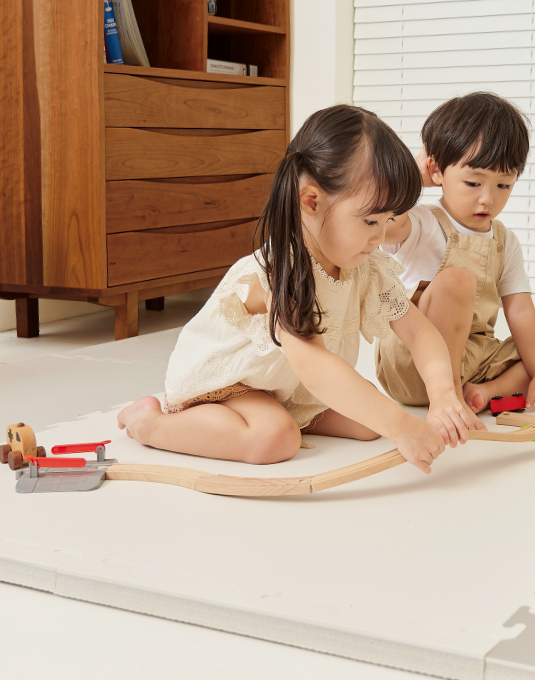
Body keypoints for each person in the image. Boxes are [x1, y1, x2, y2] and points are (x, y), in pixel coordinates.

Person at [118, 104, 484, 472]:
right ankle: (150, 423)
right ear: (311, 201)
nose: (381, 236)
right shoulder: (283, 269)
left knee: (368, 421)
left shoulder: (365, 265)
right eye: (371, 220)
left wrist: (442, 394)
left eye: (389, 220)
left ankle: (287, 410)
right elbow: (314, 364)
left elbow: (418, 331)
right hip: (230, 384)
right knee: (275, 438)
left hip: (284, 385)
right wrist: (401, 426)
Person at [376, 92, 535, 417]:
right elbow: (381, 217)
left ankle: (483, 393)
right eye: (472, 183)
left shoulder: (505, 241)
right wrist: (414, 176)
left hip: (473, 358)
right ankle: (448, 394)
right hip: (414, 361)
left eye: (503, 185)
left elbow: (520, 310)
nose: (487, 199)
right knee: (457, 280)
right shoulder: (420, 222)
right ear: (436, 170)